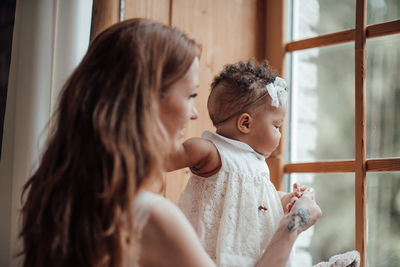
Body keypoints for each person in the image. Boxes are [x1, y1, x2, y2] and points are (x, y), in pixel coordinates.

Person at [19, 18, 321, 267]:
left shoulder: (63, 201)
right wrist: (294, 222)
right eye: (190, 96)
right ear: (146, 102)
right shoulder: (148, 217)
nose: (194, 114)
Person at [166, 60, 313, 266]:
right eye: (276, 125)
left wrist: (287, 199)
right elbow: (158, 161)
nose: (280, 134)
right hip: (209, 252)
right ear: (245, 123)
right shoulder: (211, 152)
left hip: (249, 252)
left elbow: (256, 202)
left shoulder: (256, 163)